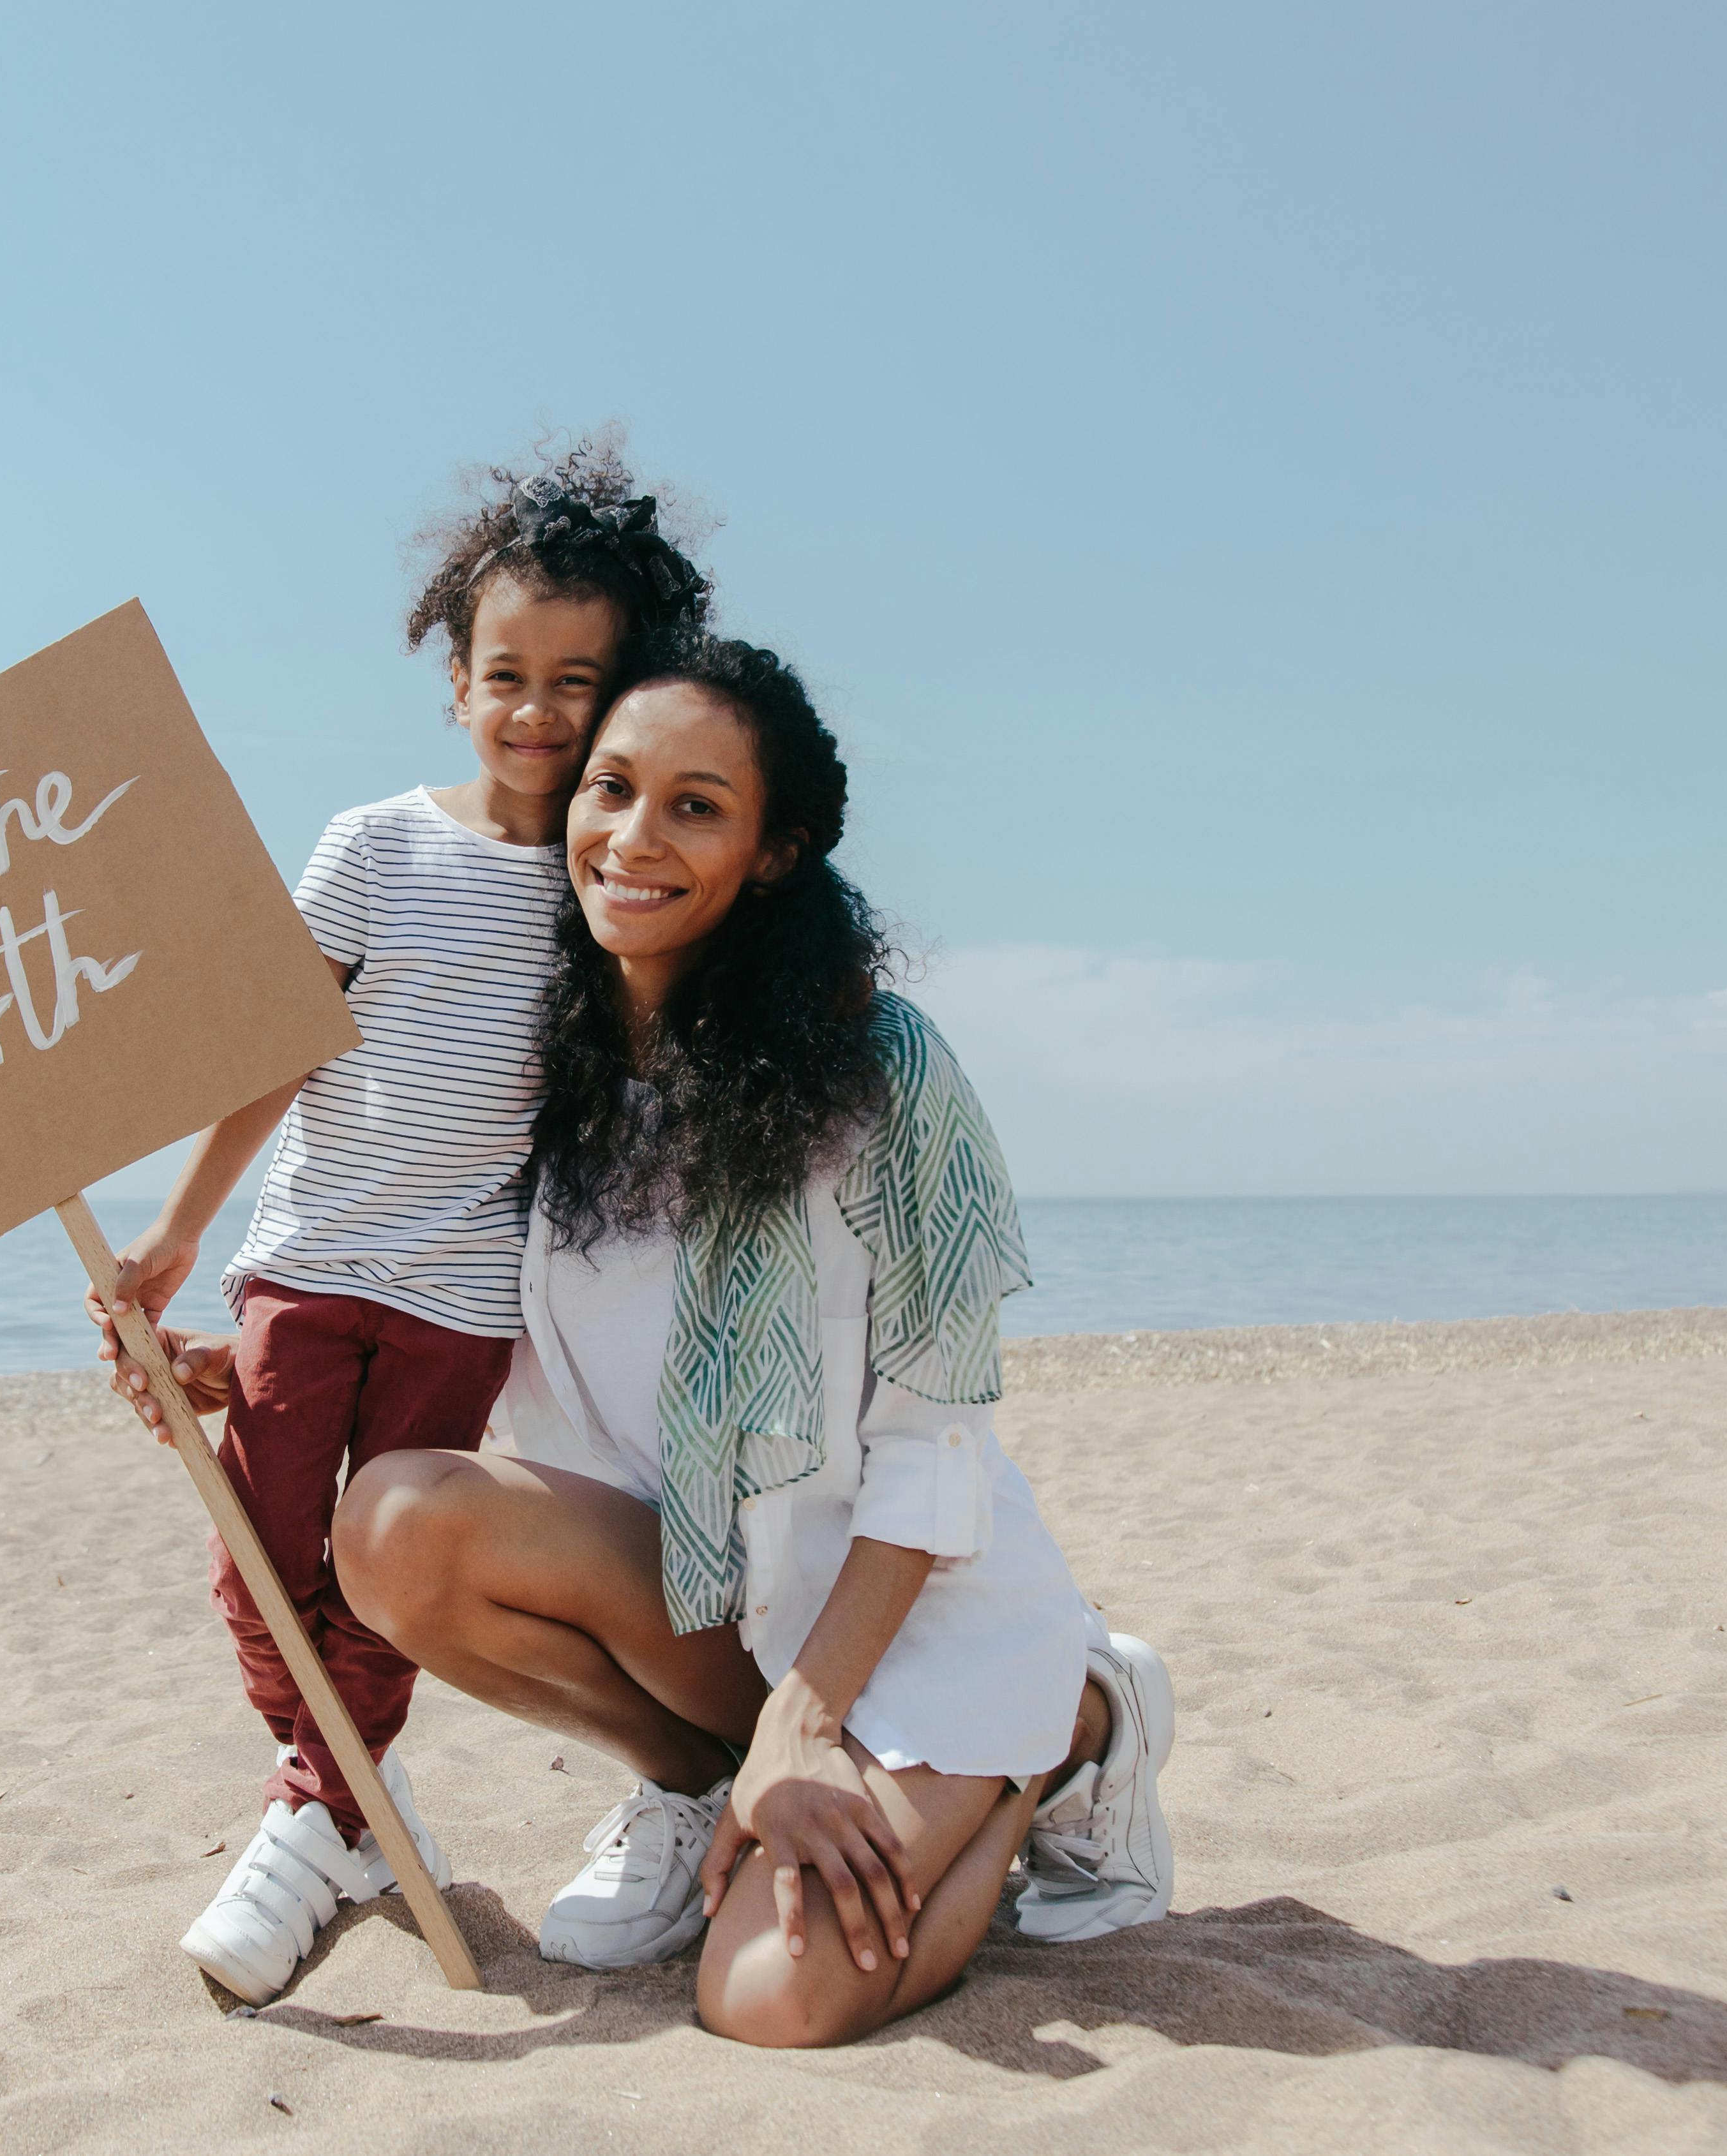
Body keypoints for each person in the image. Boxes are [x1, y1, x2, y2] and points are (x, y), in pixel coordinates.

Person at [120, 633, 1175, 2045]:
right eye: (608, 787)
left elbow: (937, 1450)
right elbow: (461, 1314)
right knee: (393, 1525)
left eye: (694, 805)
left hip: (902, 1625)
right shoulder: (548, 1073)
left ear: (774, 851)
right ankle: (697, 1778)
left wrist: (810, 1719)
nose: (630, 836)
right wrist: (235, 1358)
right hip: (705, 1605)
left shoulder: (883, 1072)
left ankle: (1065, 1736)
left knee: (768, 1999)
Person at [89, 437, 712, 2005]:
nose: (536, 711)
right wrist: (173, 1239)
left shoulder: (601, 882)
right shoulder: (374, 844)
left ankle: (316, 1815)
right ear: (453, 676)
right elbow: (269, 1047)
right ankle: (349, 1799)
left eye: (579, 682)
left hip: (460, 1299)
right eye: (506, 674)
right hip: (301, 1268)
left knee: (371, 1574)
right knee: (253, 1563)